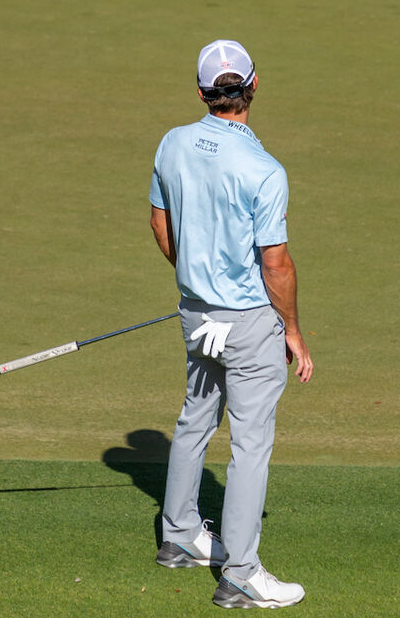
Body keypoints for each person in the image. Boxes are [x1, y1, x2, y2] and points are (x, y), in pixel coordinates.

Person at [149, 39, 313, 610]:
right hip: (246, 325)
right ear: (253, 85)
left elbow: (160, 222)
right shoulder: (265, 169)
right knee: (250, 445)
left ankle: (178, 536)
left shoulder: (172, 144)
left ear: (202, 92)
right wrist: (291, 330)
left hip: (194, 314)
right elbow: (277, 264)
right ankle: (240, 571)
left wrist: (195, 278)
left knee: (195, 418)